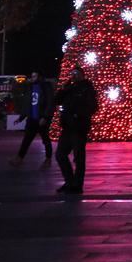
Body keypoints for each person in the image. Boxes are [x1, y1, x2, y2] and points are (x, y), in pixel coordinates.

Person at [47, 65, 98, 194]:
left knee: (78, 158)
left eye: (76, 73)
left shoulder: (87, 88)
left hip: (79, 127)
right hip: (67, 127)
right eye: (72, 73)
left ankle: (77, 185)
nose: (73, 75)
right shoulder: (69, 88)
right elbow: (56, 101)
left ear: (82, 74)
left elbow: (92, 107)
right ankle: (69, 181)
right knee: (60, 154)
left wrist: (78, 115)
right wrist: (63, 89)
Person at [9, 72, 53, 169]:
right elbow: (27, 104)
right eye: (32, 76)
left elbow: (49, 103)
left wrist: (45, 117)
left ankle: (48, 159)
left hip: (41, 118)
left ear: (40, 77)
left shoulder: (46, 87)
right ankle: (19, 158)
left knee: (45, 139)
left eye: (35, 76)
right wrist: (21, 117)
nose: (32, 78)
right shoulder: (30, 88)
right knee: (26, 139)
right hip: (32, 118)